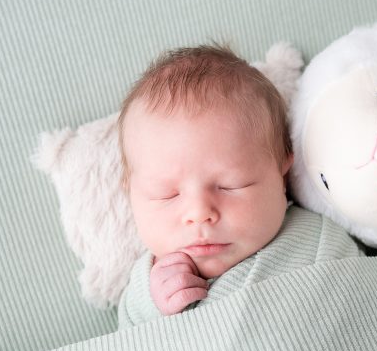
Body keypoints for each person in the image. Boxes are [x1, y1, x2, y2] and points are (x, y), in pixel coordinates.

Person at [117, 43, 295, 323]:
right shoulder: (148, 287)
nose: (199, 213)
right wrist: (153, 305)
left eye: (230, 185)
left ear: (282, 173)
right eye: (167, 194)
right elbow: (132, 342)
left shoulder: (315, 235)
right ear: (131, 194)